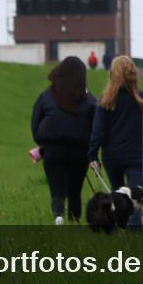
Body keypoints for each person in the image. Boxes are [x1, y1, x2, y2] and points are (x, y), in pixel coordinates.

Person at [88, 55, 143, 230]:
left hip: (112, 158)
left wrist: (92, 155)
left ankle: (118, 231)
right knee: (135, 196)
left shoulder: (105, 100)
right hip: (138, 156)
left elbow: (98, 131)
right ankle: (136, 235)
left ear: (112, 74)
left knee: (118, 195)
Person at [31, 57, 96, 225]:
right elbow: (97, 127)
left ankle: (58, 216)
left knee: (57, 189)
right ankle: (74, 222)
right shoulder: (89, 101)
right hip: (80, 153)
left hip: (53, 151)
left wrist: (42, 142)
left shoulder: (46, 96)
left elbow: (35, 122)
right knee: (75, 191)